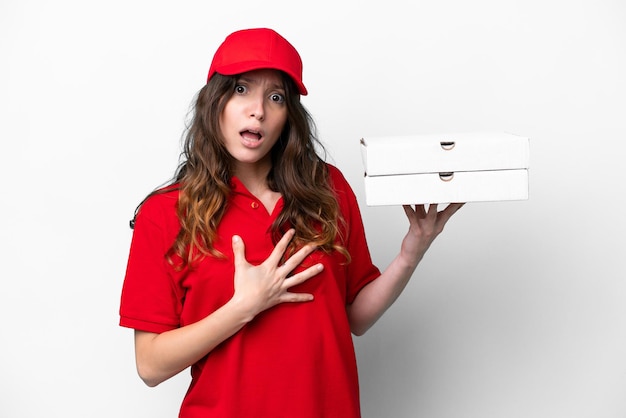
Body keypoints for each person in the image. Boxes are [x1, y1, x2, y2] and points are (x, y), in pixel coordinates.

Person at [119, 27, 463, 418]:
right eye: (241, 90)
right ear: (214, 101)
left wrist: (410, 253)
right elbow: (149, 365)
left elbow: (355, 318)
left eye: (276, 97)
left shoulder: (328, 188)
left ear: (288, 116)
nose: (258, 110)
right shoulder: (166, 212)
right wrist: (243, 307)